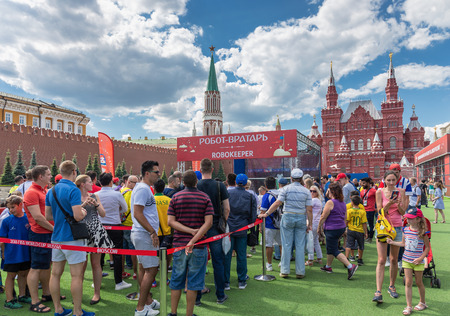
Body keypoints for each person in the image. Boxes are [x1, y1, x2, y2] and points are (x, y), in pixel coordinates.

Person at [45, 160, 94, 316]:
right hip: (73, 238)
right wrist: (84, 212)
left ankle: (58, 309)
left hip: (57, 237)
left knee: (55, 274)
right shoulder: (73, 190)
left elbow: (48, 216)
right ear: (74, 171)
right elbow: (78, 216)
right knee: (76, 276)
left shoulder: (51, 191)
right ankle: (77, 311)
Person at [167, 170, 213, 316]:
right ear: (196, 182)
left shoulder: (176, 197)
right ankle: (189, 314)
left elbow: (171, 222)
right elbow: (209, 223)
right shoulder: (205, 198)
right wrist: (194, 236)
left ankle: (173, 312)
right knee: (193, 283)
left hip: (179, 244)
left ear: (183, 182)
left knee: (176, 279)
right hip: (198, 246)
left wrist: (189, 233)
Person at [259, 168, 312, 279]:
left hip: (288, 216)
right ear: (301, 178)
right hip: (301, 217)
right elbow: (309, 209)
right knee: (300, 245)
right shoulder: (306, 191)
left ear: (291, 178)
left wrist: (267, 213)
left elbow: (278, 203)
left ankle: (284, 271)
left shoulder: (286, 189)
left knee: (286, 244)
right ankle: (300, 272)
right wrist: (310, 224)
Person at [196, 158, 230, 304]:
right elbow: (227, 208)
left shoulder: (196, 185)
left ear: (201, 170)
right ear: (212, 169)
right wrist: (224, 221)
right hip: (216, 228)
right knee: (218, 262)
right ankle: (220, 295)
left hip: (199, 229)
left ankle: (196, 298)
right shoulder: (219, 185)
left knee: (197, 263)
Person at [75, 175, 112, 305]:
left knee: (96, 264)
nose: (93, 184)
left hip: (96, 230)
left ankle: (97, 294)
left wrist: (96, 204)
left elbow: (103, 214)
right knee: (81, 265)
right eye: (90, 182)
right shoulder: (75, 196)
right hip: (81, 232)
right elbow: (74, 215)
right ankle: (78, 295)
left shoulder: (95, 196)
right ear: (82, 184)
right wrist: (84, 204)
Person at [130, 160, 161, 316]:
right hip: (143, 234)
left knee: (144, 268)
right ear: (147, 173)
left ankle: (147, 302)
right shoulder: (143, 189)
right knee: (151, 269)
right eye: (157, 172)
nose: (159, 175)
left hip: (141, 233)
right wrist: (152, 232)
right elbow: (138, 213)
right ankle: (141, 308)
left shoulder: (142, 188)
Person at [387, 208, 430, 315]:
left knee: (419, 282)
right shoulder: (405, 230)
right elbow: (403, 244)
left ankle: (422, 302)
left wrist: (421, 259)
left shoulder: (423, 232)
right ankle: (408, 306)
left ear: (419, 219)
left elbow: (427, 248)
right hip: (406, 260)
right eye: (408, 218)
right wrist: (392, 242)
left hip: (418, 262)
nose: (408, 220)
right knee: (408, 283)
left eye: (411, 218)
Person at [373, 170, 407, 303]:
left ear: (397, 180)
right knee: (381, 260)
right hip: (383, 227)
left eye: (394, 180)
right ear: (384, 180)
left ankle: (392, 286)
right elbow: (379, 211)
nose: (391, 182)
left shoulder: (401, 192)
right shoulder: (379, 192)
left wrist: (398, 206)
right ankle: (378, 291)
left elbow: (403, 212)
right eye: (389, 180)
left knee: (393, 259)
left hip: (397, 227)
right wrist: (388, 204)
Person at [23, 165, 54, 313]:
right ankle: (35, 302)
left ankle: (47, 294)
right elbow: (38, 218)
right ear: (40, 176)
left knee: (46, 265)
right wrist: (55, 230)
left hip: (46, 233)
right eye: (48, 174)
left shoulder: (44, 191)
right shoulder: (31, 192)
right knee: (36, 267)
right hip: (40, 234)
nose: (51, 176)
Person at [97, 172, 131, 291]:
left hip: (100, 226)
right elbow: (125, 209)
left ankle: (98, 282)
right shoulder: (116, 194)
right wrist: (115, 211)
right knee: (117, 254)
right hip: (115, 225)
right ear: (111, 181)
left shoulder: (95, 194)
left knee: (99, 255)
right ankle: (118, 282)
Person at [317, 183, 358, 279]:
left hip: (332, 229)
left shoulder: (330, 202)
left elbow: (323, 216)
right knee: (331, 247)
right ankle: (328, 266)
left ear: (332, 192)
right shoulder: (343, 203)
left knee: (333, 249)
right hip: (340, 228)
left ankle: (350, 266)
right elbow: (345, 217)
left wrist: (319, 228)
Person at [225, 174, 257, 289]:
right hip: (242, 229)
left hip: (229, 229)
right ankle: (242, 280)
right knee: (241, 255)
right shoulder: (250, 196)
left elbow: (224, 209)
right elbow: (253, 215)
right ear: (245, 184)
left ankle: (226, 282)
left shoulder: (228, 194)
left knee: (227, 255)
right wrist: (249, 226)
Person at [0, 195, 31, 309]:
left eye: (12, 207)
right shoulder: (6, 221)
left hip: (25, 253)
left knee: (23, 274)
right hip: (12, 254)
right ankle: (9, 300)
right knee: (11, 276)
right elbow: (2, 239)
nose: (10, 210)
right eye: (9, 208)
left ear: (20, 205)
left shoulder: (28, 218)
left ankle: (22, 295)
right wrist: (3, 253)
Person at [260, 176, 282, 271]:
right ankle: (283, 263)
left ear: (265, 185)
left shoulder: (267, 195)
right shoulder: (281, 193)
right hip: (282, 223)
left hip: (269, 224)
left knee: (268, 245)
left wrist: (260, 226)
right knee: (282, 244)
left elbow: (262, 212)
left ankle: (269, 264)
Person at [121, 175, 139, 279]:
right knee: (133, 249)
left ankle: (124, 269)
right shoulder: (134, 194)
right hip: (131, 224)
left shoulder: (121, 192)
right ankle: (135, 272)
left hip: (121, 224)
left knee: (123, 248)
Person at [154, 179, 173, 275]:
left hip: (154, 233)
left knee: (153, 257)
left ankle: (152, 280)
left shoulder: (151, 200)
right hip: (168, 232)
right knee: (167, 256)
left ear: (154, 189)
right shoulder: (169, 200)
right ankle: (165, 278)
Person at [345, 195, 368, 265]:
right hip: (360, 231)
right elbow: (364, 223)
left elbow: (346, 221)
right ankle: (360, 259)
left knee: (348, 245)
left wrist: (344, 228)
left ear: (352, 202)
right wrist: (366, 232)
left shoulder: (349, 211)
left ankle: (346, 259)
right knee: (360, 245)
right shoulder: (362, 212)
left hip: (351, 230)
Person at [306, 185, 323, 266]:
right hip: (316, 222)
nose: (312, 192)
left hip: (312, 222)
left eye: (314, 191)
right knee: (315, 241)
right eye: (311, 191)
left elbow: (306, 208)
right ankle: (319, 258)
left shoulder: (314, 200)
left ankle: (310, 260)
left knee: (310, 241)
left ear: (317, 192)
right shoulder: (318, 200)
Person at [360, 177, 377, 243]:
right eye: (362, 183)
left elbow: (378, 199)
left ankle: (370, 237)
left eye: (364, 183)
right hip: (363, 210)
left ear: (368, 183)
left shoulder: (373, 191)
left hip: (371, 210)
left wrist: (376, 208)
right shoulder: (362, 191)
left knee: (371, 224)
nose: (362, 184)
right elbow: (361, 200)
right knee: (363, 223)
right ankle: (367, 235)